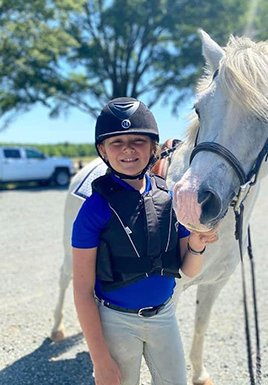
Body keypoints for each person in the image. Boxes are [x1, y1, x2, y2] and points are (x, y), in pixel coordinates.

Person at [72, 97, 218, 385]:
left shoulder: (170, 198)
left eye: (138, 140)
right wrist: (99, 360)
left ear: (154, 147)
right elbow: (82, 290)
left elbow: (188, 270)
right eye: (116, 142)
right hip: (116, 321)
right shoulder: (93, 210)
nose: (127, 148)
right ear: (102, 150)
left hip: (164, 318)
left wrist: (198, 243)